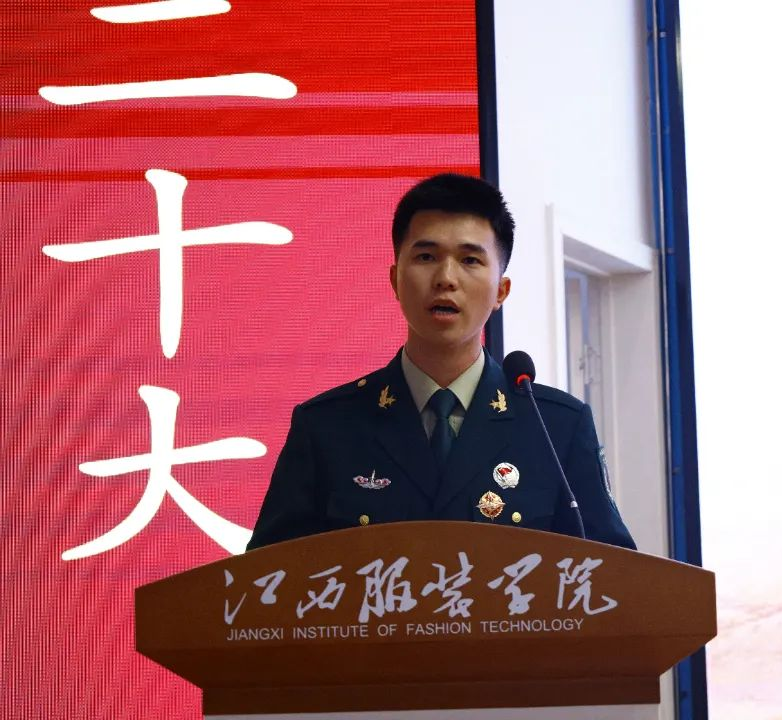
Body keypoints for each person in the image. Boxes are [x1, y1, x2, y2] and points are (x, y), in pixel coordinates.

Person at [246, 173, 635, 551]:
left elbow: (614, 576)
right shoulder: (328, 427)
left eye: (470, 260)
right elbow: (267, 579)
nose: (446, 278)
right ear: (395, 280)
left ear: (501, 291)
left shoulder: (556, 428)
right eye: (426, 256)